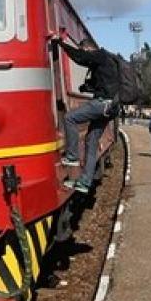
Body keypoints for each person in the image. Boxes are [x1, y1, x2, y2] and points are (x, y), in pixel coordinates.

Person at [55, 36, 119, 193]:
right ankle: (84, 182)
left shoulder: (100, 55)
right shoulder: (107, 61)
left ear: (88, 48)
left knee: (70, 118)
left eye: (84, 50)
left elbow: (80, 58)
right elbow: (105, 84)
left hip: (101, 105)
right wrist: (88, 88)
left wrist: (61, 45)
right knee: (91, 140)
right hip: (110, 108)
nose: (85, 54)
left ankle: (72, 156)